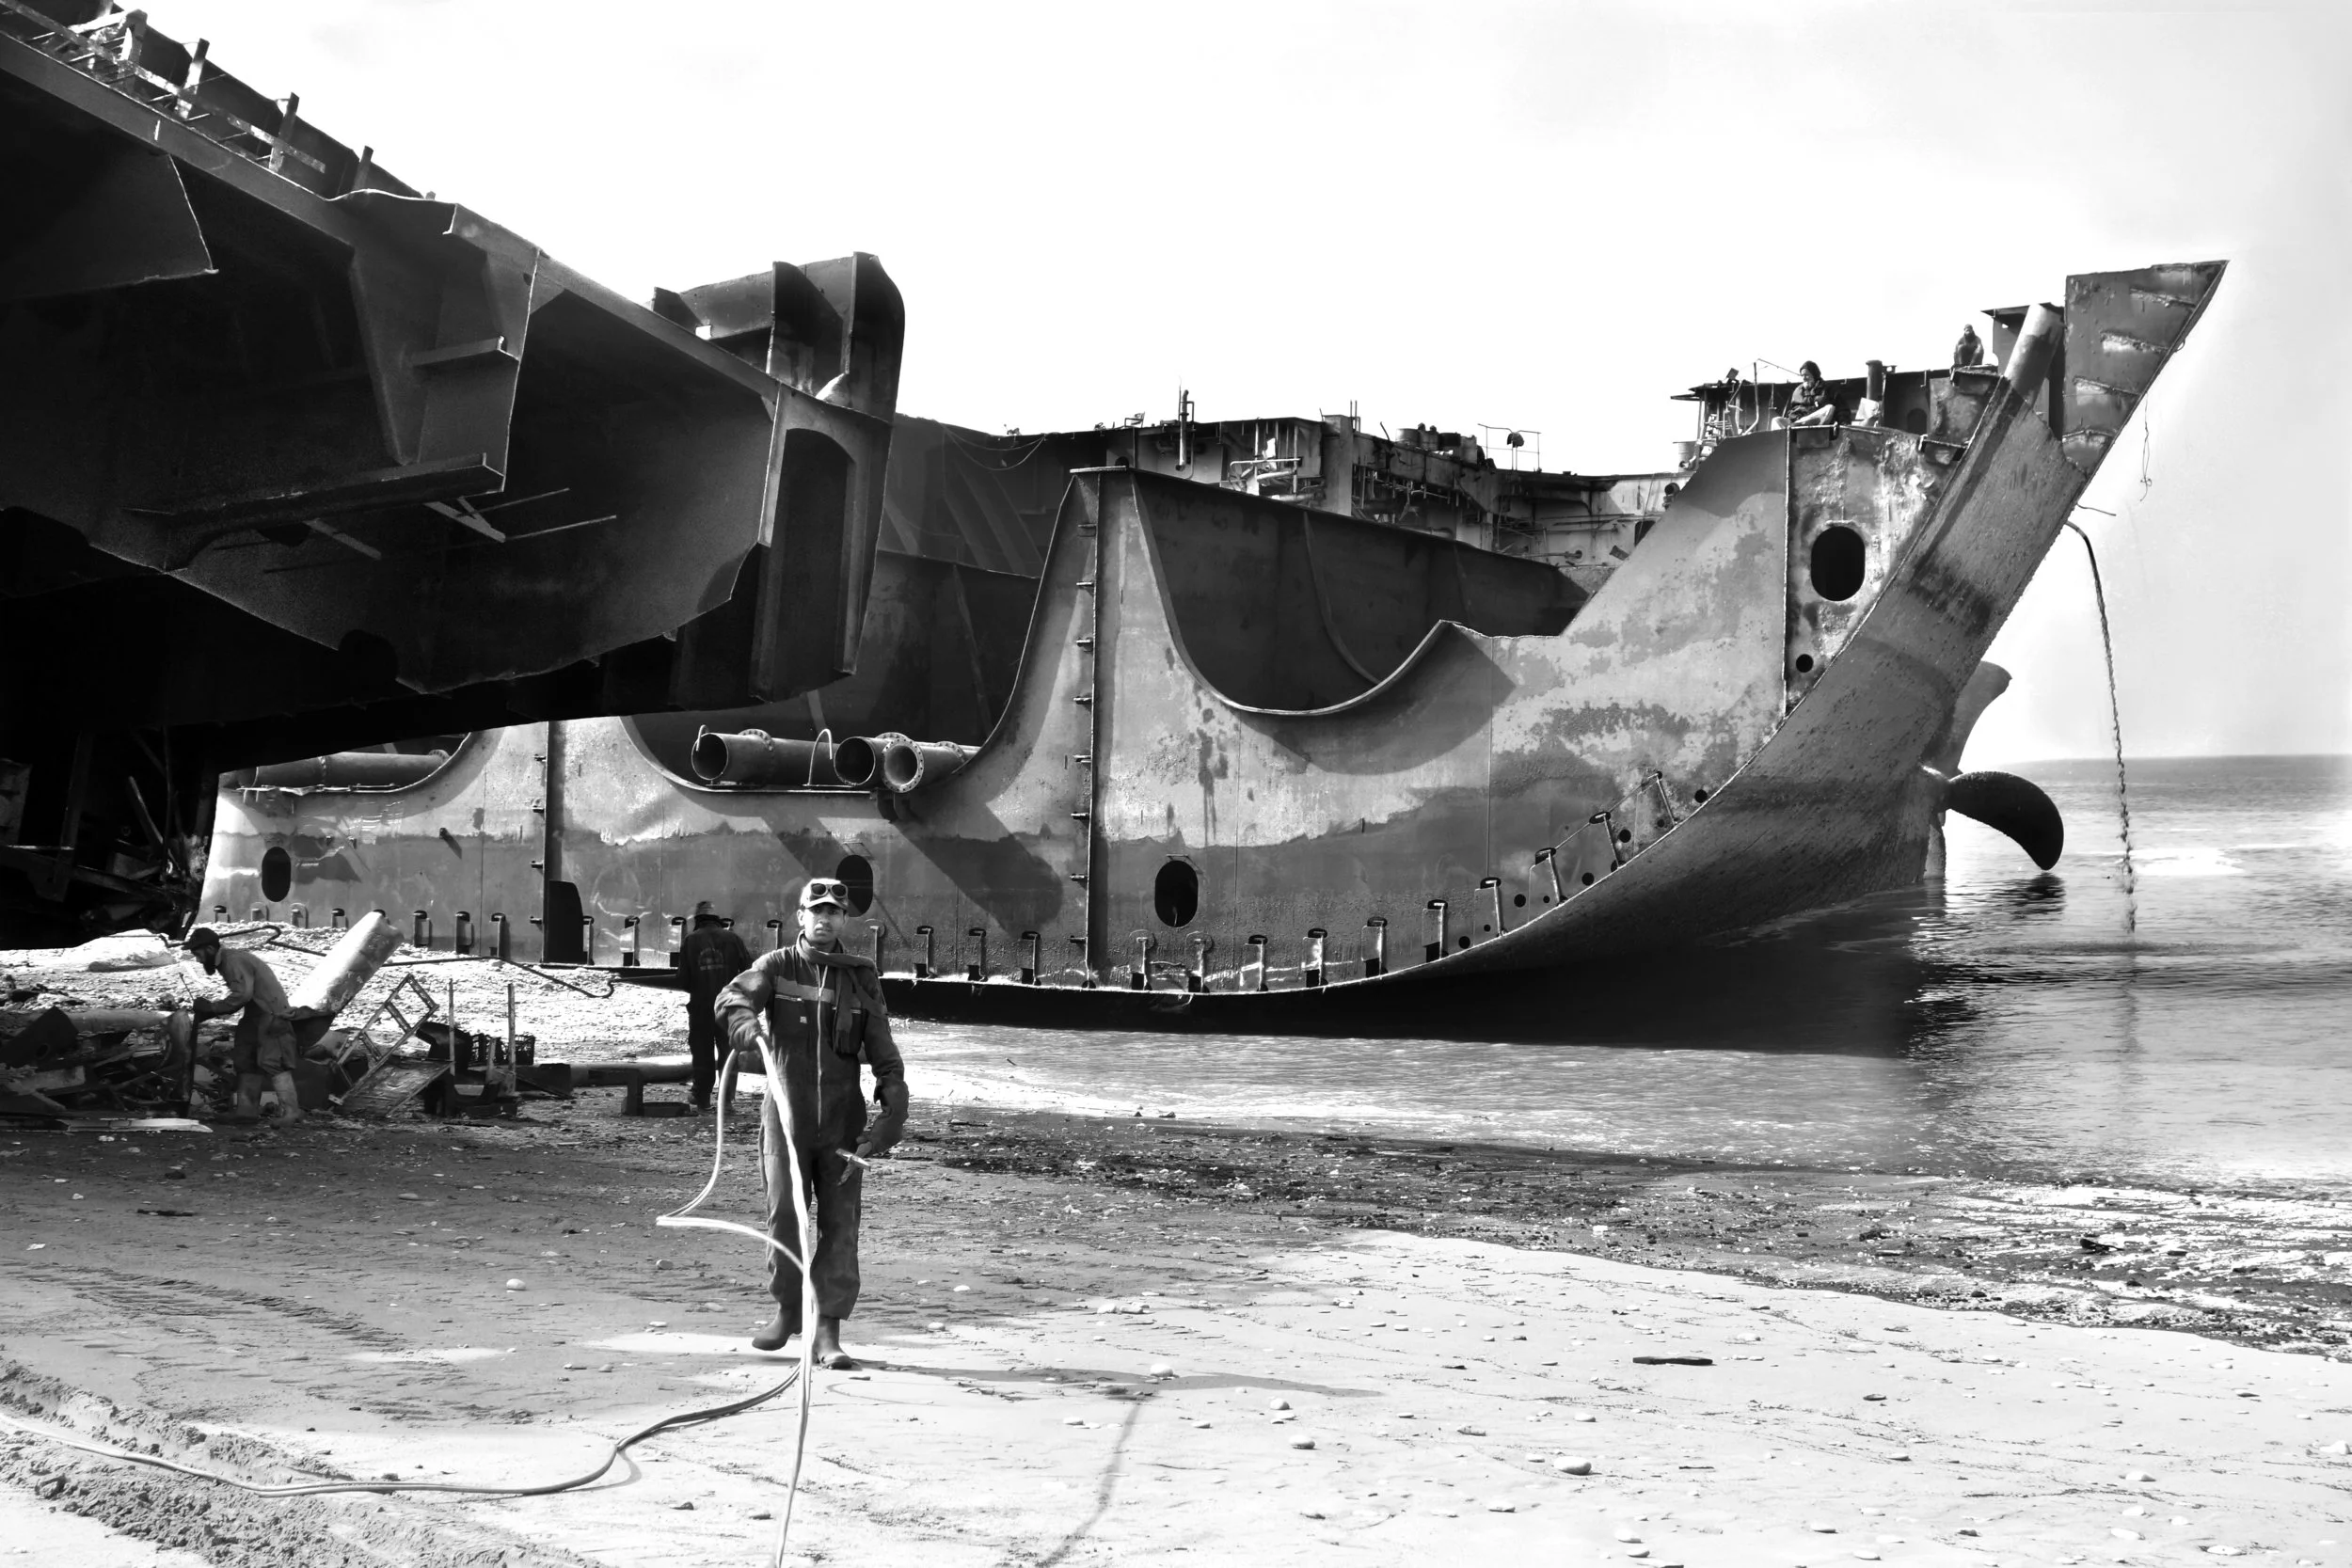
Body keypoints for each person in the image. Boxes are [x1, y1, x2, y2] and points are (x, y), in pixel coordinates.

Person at [715, 877, 908, 1369]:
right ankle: (786, 1313)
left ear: (845, 921)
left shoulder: (860, 976)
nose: (824, 920)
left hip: (844, 1127)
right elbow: (732, 999)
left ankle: (828, 1333)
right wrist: (742, 1022)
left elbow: (884, 1052)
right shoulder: (775, 967)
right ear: (800, 916)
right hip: (785, 1120)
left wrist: (894, 1111)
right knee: (785, 1216)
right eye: (815, 911)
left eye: (834, 913)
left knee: (841, 1227)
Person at [183, 927, 302, 1123]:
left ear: (211, 949)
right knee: (245, 1060)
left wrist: (213, 1008)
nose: (198, 960)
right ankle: (246, 1112)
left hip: (271, 1013)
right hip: (254, 1014)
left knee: (273, 1062)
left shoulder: (233, 961)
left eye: (198, 954)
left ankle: (291, 1112)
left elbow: (242, 994)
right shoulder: (227, 962)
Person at [679, 900, 752, 1112]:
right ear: (716, 919)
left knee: (702, 1053)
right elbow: (749, 971)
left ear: (698, 921)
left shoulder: (690, 941)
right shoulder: (733, 938)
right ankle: (726, 1101)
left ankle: (702, 1098)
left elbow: (683, 980)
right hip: (729, 1008)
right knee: (728, 1053)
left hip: (701, 1008)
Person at [1786, 360, 1840, 427]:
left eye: (1806, 375)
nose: (1804, 378)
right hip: (1798, 420)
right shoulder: (1798, 391)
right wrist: (1797, 417)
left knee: (1829, 408)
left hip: (1817, 423)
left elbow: (1842, 410)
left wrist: (1843, 424)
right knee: (1777, 420)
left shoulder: (1828, 388)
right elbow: (1792, 411)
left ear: (1814, 375)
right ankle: (1797, 426)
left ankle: (1800, 425)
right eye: (1802, 375)